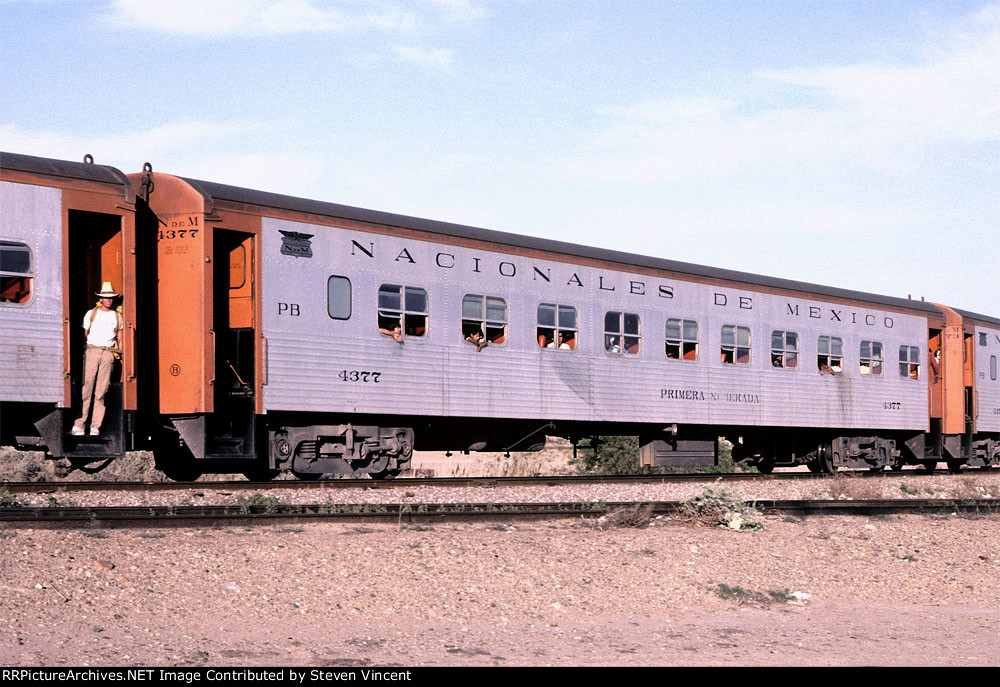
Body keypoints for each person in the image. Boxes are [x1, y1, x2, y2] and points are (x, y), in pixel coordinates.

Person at [72, 282, 123, 436]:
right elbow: (85, 333)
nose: (109, 300)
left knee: (102, 390)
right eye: (106, 298)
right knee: (87, 388)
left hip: (107, 353)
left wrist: (121, 351)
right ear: (100, 299)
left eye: (111, 298)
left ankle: (95, 426)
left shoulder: (117, 316)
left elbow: (120, 337)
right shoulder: (91, 314)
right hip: (93, 351)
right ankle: (80, 424)